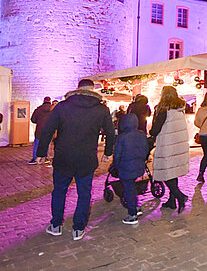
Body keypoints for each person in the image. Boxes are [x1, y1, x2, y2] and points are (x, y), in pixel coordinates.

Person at [36, 79, 114, 241]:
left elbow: (47, 130)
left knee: (59, 191)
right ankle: (78, 228)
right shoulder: (101, 109)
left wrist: (41, 153)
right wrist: (107, 152)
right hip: (86, 158)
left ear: (78, 89)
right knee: (84, 193)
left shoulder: (62, 107)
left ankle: (56, 225)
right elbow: (110, 132)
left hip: (64, 157)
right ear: (93, 90)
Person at [149, 86, 189, 213]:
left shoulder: (163, 109)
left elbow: (156, 129)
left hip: (167, 145)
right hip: (178, 144)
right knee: (173, 171)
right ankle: (172, 201)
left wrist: (150, 133)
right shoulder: (180, 108)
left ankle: (180, 196)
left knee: (166, 172)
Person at [113, 113, 149, 225]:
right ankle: (135, 207)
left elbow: (117, 155)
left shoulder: (122, 138)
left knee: (129, 189)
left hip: (126, 167)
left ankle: (132, 214)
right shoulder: (142, 135)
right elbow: (145, 150)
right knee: (132, 187)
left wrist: (116, 166)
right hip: (138, 165)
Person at [29, 97, 52, 164]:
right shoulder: (53, 109)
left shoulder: (38, 109)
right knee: (47, 144)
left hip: (39, 129)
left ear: (43, 101)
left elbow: (33, 119)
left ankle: (35, 158)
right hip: (49, 129)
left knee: (37, 144)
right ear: (50, 101)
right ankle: (44, 157)